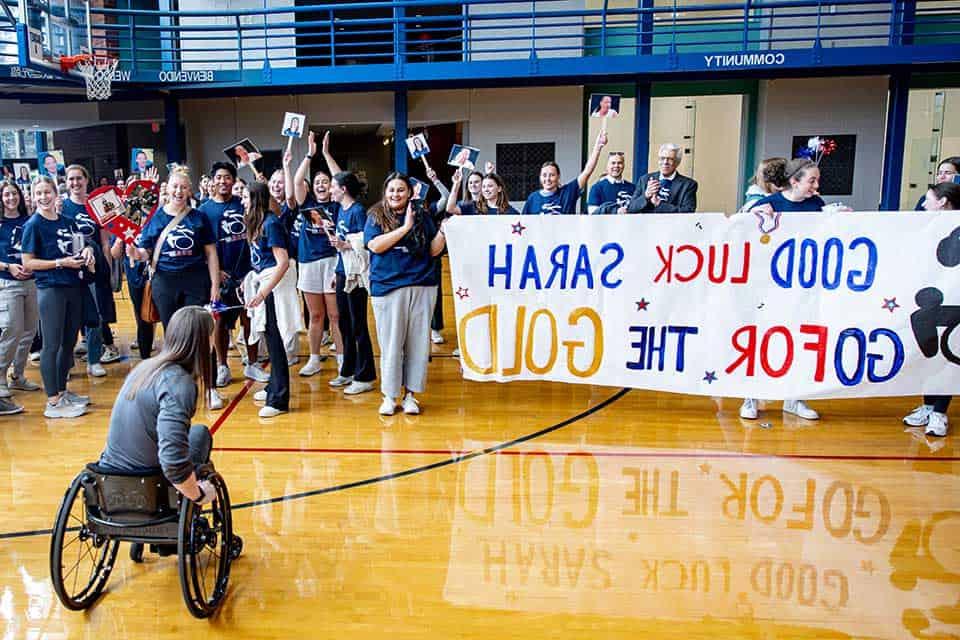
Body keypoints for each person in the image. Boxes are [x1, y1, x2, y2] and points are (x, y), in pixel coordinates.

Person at [97, 306, 223, 562]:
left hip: (109, 473)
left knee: (196, 431)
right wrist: (198, 494)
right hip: (146, 480)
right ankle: (173, 524)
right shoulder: (179, 384)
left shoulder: (145, 368)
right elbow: (173, 461)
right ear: (200, 340)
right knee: (200, 435)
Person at [127, 166, 223, 408]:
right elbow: (144, 251)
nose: (179, 191)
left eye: (183, 187)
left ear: (189, 190)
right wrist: (134, 252)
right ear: (167, 190)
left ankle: (210, 388)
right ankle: (179, 387)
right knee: (174, 338)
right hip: (165, 283)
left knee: (201, 334)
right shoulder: (155, 218)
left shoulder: (199, 217)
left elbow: (211, 253)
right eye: (175, 187)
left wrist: (214, 285)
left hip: (195, 281)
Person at [365, 173, 447, 415]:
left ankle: (411, 395)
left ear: (410, 193)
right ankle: (389, 396)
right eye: (392, 190)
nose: (396, 194)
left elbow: (432, 251)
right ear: (385, 192)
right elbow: (375, 245)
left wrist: (443, 231)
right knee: (391, 344)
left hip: (423, 285)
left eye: (401, 190)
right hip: (388, 288)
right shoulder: (375, 215)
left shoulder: (423, 215)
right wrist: (406, 227)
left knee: (418, 345)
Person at [21, 175, 95, 419]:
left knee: (68, 343)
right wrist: (59, 262)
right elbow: (28, 263)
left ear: (56, 194)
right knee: (51, 345)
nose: (43, 197)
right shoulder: (33, 225)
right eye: (39, 193)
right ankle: (52, 402)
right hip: (50, 289)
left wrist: (88, 250)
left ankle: (62, 391)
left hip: (73, 286)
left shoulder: (68, 221)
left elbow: (81, 245)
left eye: (47, 192)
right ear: (33, 196)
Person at [903, 181, 960, 437]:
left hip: (954, 303)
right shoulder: (926, 228)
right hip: (930, 304)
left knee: (947, 357)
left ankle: (940, 412)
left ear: (943, 202)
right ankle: (928, 404)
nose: (923, 204)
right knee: (928, 351)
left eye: (928, 199)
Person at [198, 162, 261, 388]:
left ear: (234, 180)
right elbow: (202, 247)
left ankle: (252, 363)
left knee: (249, 319)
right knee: (220, 322)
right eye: (219, 177)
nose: (223, 181)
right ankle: (222, 365)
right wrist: (216, 272)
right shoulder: (203, 210)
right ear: (212, 181)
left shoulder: (243, 204)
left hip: (246, 274)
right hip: (220, 277)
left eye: (227, 177)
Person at [61, 164, 119, 378]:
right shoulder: (61, 207)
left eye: (79, 178)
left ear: (86, 180)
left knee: (95, 316)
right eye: (71, 179)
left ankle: (94, 360)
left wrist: (109, 269)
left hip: (94, 269)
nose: (75, 183)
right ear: (66, 183)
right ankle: (65, 364)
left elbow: (105, 242)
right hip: (68, 270)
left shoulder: (98, 205)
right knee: (67, 318)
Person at [292, 131, 341, 376]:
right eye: (318, 182)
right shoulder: (307, 203)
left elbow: (340, 177)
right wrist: (310, 155)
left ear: (333, 188)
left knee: (335, 314)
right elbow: (298, 181)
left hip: (332, 261)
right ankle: (313, 358)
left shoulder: (337, 204)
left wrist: (326, 153)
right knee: (316, 314)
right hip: (309, 262)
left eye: (327, 182)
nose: (322, 185)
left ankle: (342, 359)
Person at [243, 183, 290, 418]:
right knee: (269, 340)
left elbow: (283, 262)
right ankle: (273, 384)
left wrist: (263, 293)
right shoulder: (257, 222)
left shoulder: (271, 223)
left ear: (256, 199)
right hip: (263, 282)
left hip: (274, 286)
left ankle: (279, 399)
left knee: (276, 341)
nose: (242, 201)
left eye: (245, 197)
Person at [329, 171, 376, 394]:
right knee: (344, 323)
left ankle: (365, 375)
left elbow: (365, 242)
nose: (330, 190)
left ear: (343, 189)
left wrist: (345, 244)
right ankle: (347, 369)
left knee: (358, 324)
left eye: (333, 186)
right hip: (341, 271)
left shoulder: (358, 211)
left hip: (355, 275)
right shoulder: (340, 209)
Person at [0, 180, 40, 414]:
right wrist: (9, 267)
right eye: (6, 195)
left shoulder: (28, 221)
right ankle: (1, 379)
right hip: (8, 282)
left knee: (28, 331)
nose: (11, 198)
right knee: (11, 330)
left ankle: (18, 375)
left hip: (31, 282)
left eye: (14, 194)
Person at [523, 131, 607, 214]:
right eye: (544, 175)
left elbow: (587, 171)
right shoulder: (533, 198)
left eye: (552, 175)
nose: (547, 179)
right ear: (540, 177)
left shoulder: (568, 192)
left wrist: (598, 148)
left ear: (558, 177)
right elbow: (524, 222)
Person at [627, 143, 698, 213]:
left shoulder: (688, 185)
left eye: (670, 159)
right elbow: (631, 208)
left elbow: (688, 211)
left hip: (673, 224)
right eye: (662, 158)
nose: (665, 162)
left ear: (677, 162)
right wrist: (646, 195)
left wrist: (659, 204)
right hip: (647, 223)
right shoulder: (644, 180)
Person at [447, 171, 517, 216]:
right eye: (483, 186)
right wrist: (456, 184)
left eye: (490, 186)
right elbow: (450, 208)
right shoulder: (473, 207)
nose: (486, 189)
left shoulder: (510, 212)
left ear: (499, 188)